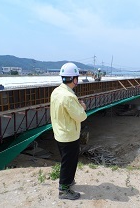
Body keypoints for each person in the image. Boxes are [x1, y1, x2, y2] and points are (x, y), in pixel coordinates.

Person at [50, 62, 87, 200]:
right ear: (74, 79)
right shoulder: (68, 96)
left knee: (67, 160)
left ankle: (68, 181)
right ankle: (64, 189)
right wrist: (82, 106)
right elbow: (80, 116)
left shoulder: (56, 92)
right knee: (69, 162)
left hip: (59, 133)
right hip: (69, 135)